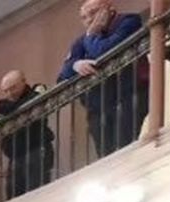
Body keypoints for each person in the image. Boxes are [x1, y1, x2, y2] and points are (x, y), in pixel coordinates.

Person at [58, 0, 148, 157]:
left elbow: (103, 51)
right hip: (98, 109)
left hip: (129, 97)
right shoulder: (81, 41)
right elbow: (62, 75)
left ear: (109, 9)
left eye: (93, 13)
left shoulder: (128, 21)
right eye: (84, 17)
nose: (88, 20)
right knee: (106, 158)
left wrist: (92, 34)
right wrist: (76, 65)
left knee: (127, 152)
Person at [0, 70, 56, 198]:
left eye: (13, 88)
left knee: (36, 193)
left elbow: (24, 106)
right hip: (15, 157)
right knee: (13, 196)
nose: (9, 93)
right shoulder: (2, 105)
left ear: (23, 82)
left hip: (37, 150)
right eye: (5, 90)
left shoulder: (35, 94)